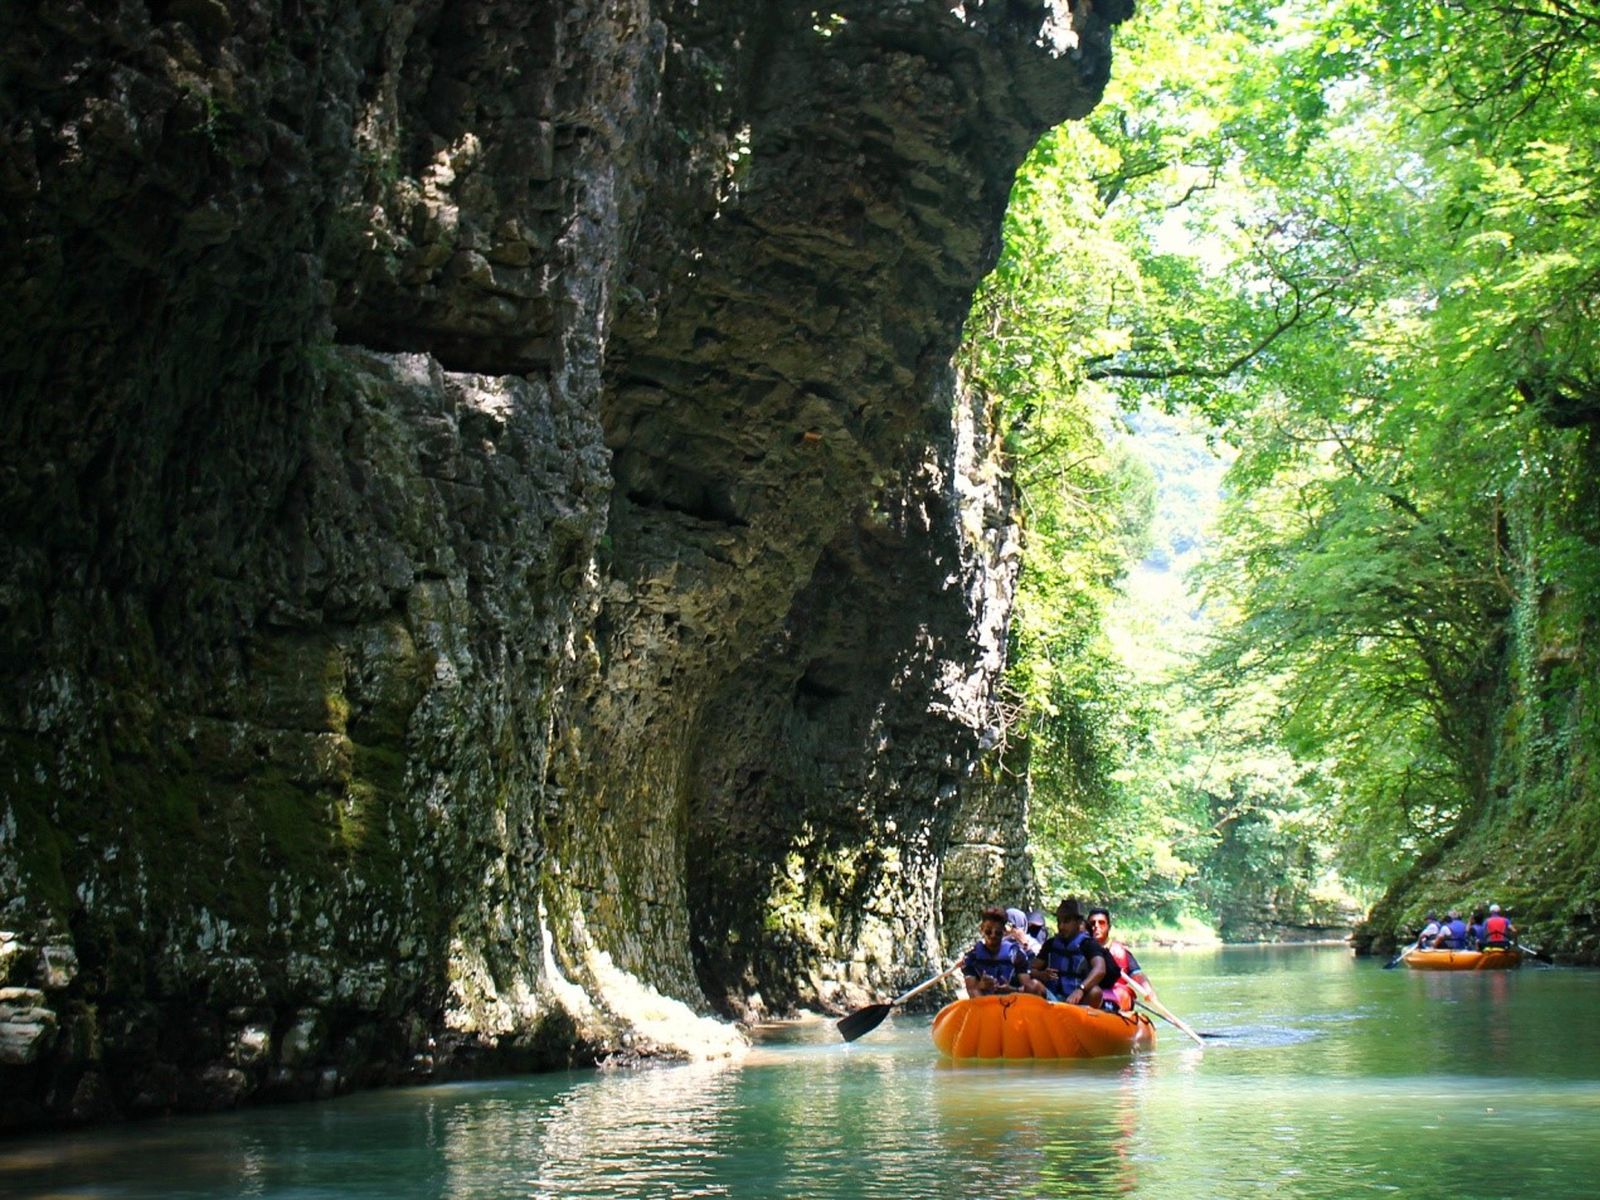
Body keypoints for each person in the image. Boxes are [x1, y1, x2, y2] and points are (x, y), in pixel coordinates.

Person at [1033, 897, 1121, 1010]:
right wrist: (1041, 975)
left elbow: (1100, 969)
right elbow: (1031, 970)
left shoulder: (1088, 944)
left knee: (1095, 992)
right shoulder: (1051, 944)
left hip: (1078, 1001)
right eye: (1059, 921)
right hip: (1053, 998)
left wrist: (1081, 989)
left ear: (1078, 922)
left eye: (1066, 921)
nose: (1061, 926)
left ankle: (1084, 1023)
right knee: (1032, 984)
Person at [964, 906, 1047, 998]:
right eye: (988, 932)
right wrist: (981, 985)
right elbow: (971, 989)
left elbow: (1029, 987)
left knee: (1038, 987)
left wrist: (1011, 989)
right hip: (983, 1004)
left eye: (998, 932)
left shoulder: (1015, 954)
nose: (992, 936)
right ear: (982, 929)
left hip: (1011, 1002)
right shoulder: (972, 957)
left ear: (1004, 931)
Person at [1088, 907, 1152, 1012]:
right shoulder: (1081, 948)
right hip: (1092, 994)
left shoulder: (1120, 951)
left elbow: (1137, 975)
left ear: (1109, 927)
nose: (1096, 926)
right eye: (1092, 923)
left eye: (1101, 923)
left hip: (1116, 995)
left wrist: (1148, 990)